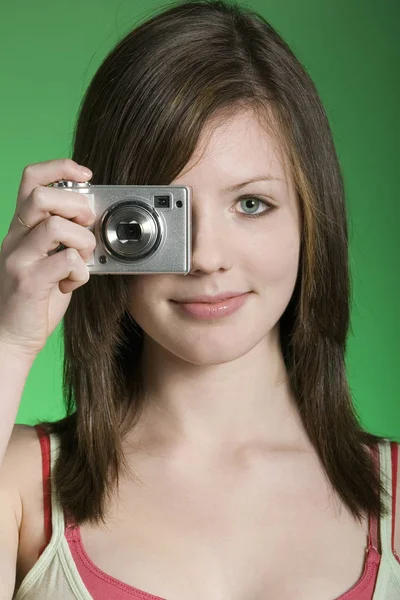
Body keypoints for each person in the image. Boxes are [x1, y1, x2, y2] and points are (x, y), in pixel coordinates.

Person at [0, 0, 399, 598]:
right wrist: (11, 340)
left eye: (251, 204)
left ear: (311, 220)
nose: (207, 257)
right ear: (98, 218)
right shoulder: (21, 485)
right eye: (164, 215)